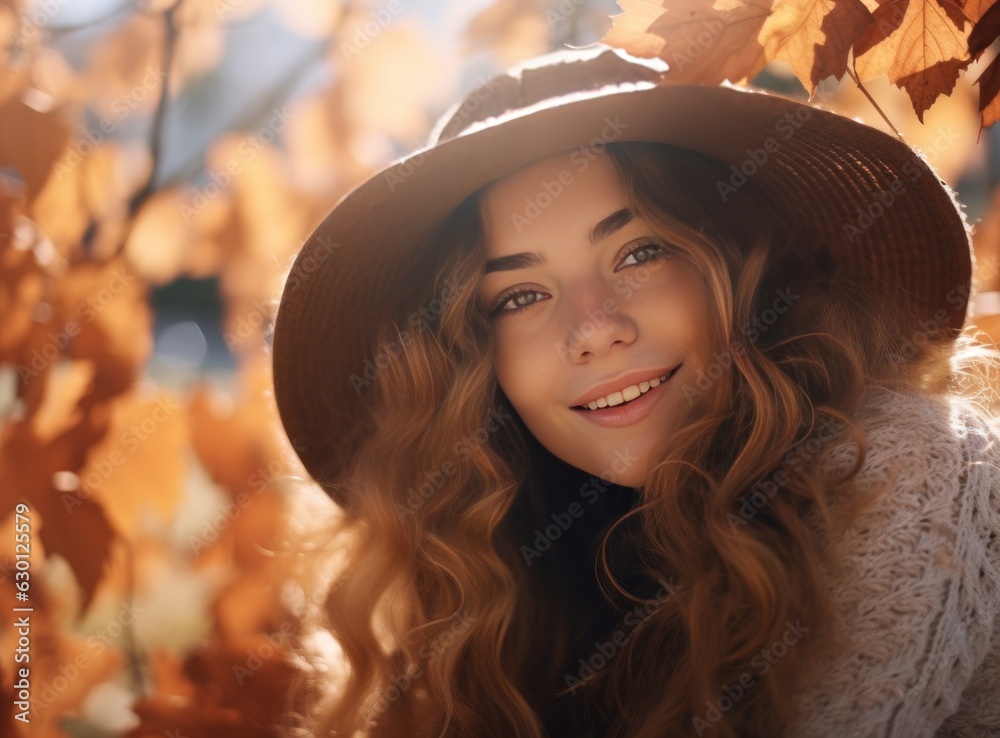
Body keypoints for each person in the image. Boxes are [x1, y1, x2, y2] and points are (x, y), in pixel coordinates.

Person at [270, 46, 1000, 738]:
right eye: (520, 295)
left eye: (640, 252)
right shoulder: (516, 578)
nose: (593, 329)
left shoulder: (907, 466)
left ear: (747, 268)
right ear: (469, 359)